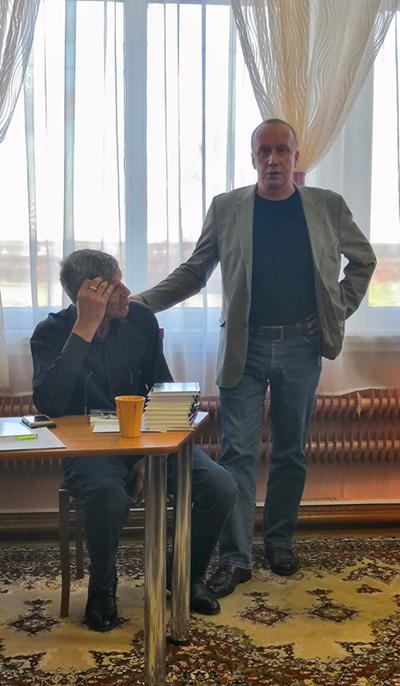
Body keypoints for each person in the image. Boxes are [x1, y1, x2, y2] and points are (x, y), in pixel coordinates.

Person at [134, 119, 377, 598]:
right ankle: (236, 557)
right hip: (244, 348)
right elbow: (194, 272)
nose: (273, 159)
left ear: (295, 158)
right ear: (252, 159)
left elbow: (363, 261)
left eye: (281, 150)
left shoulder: (327, 206)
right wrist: (141, 303)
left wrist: (336, 309)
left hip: (302, 347)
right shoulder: (227, 208)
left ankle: (280, 541)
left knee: (291, 450)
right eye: (264, 151)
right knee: (238, 453)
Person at [30, 249, 238, 631]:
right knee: (107, 497)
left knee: (221, 486)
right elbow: (50, 403)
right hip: (89, 452)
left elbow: (164, 390)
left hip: (148, 441)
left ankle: (184, 575)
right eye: (113, 288)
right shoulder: (51, 333)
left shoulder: (140, 319)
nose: (127, 292)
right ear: (87, 295)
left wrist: (149, 454)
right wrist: (84, 328)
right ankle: (102, 589)